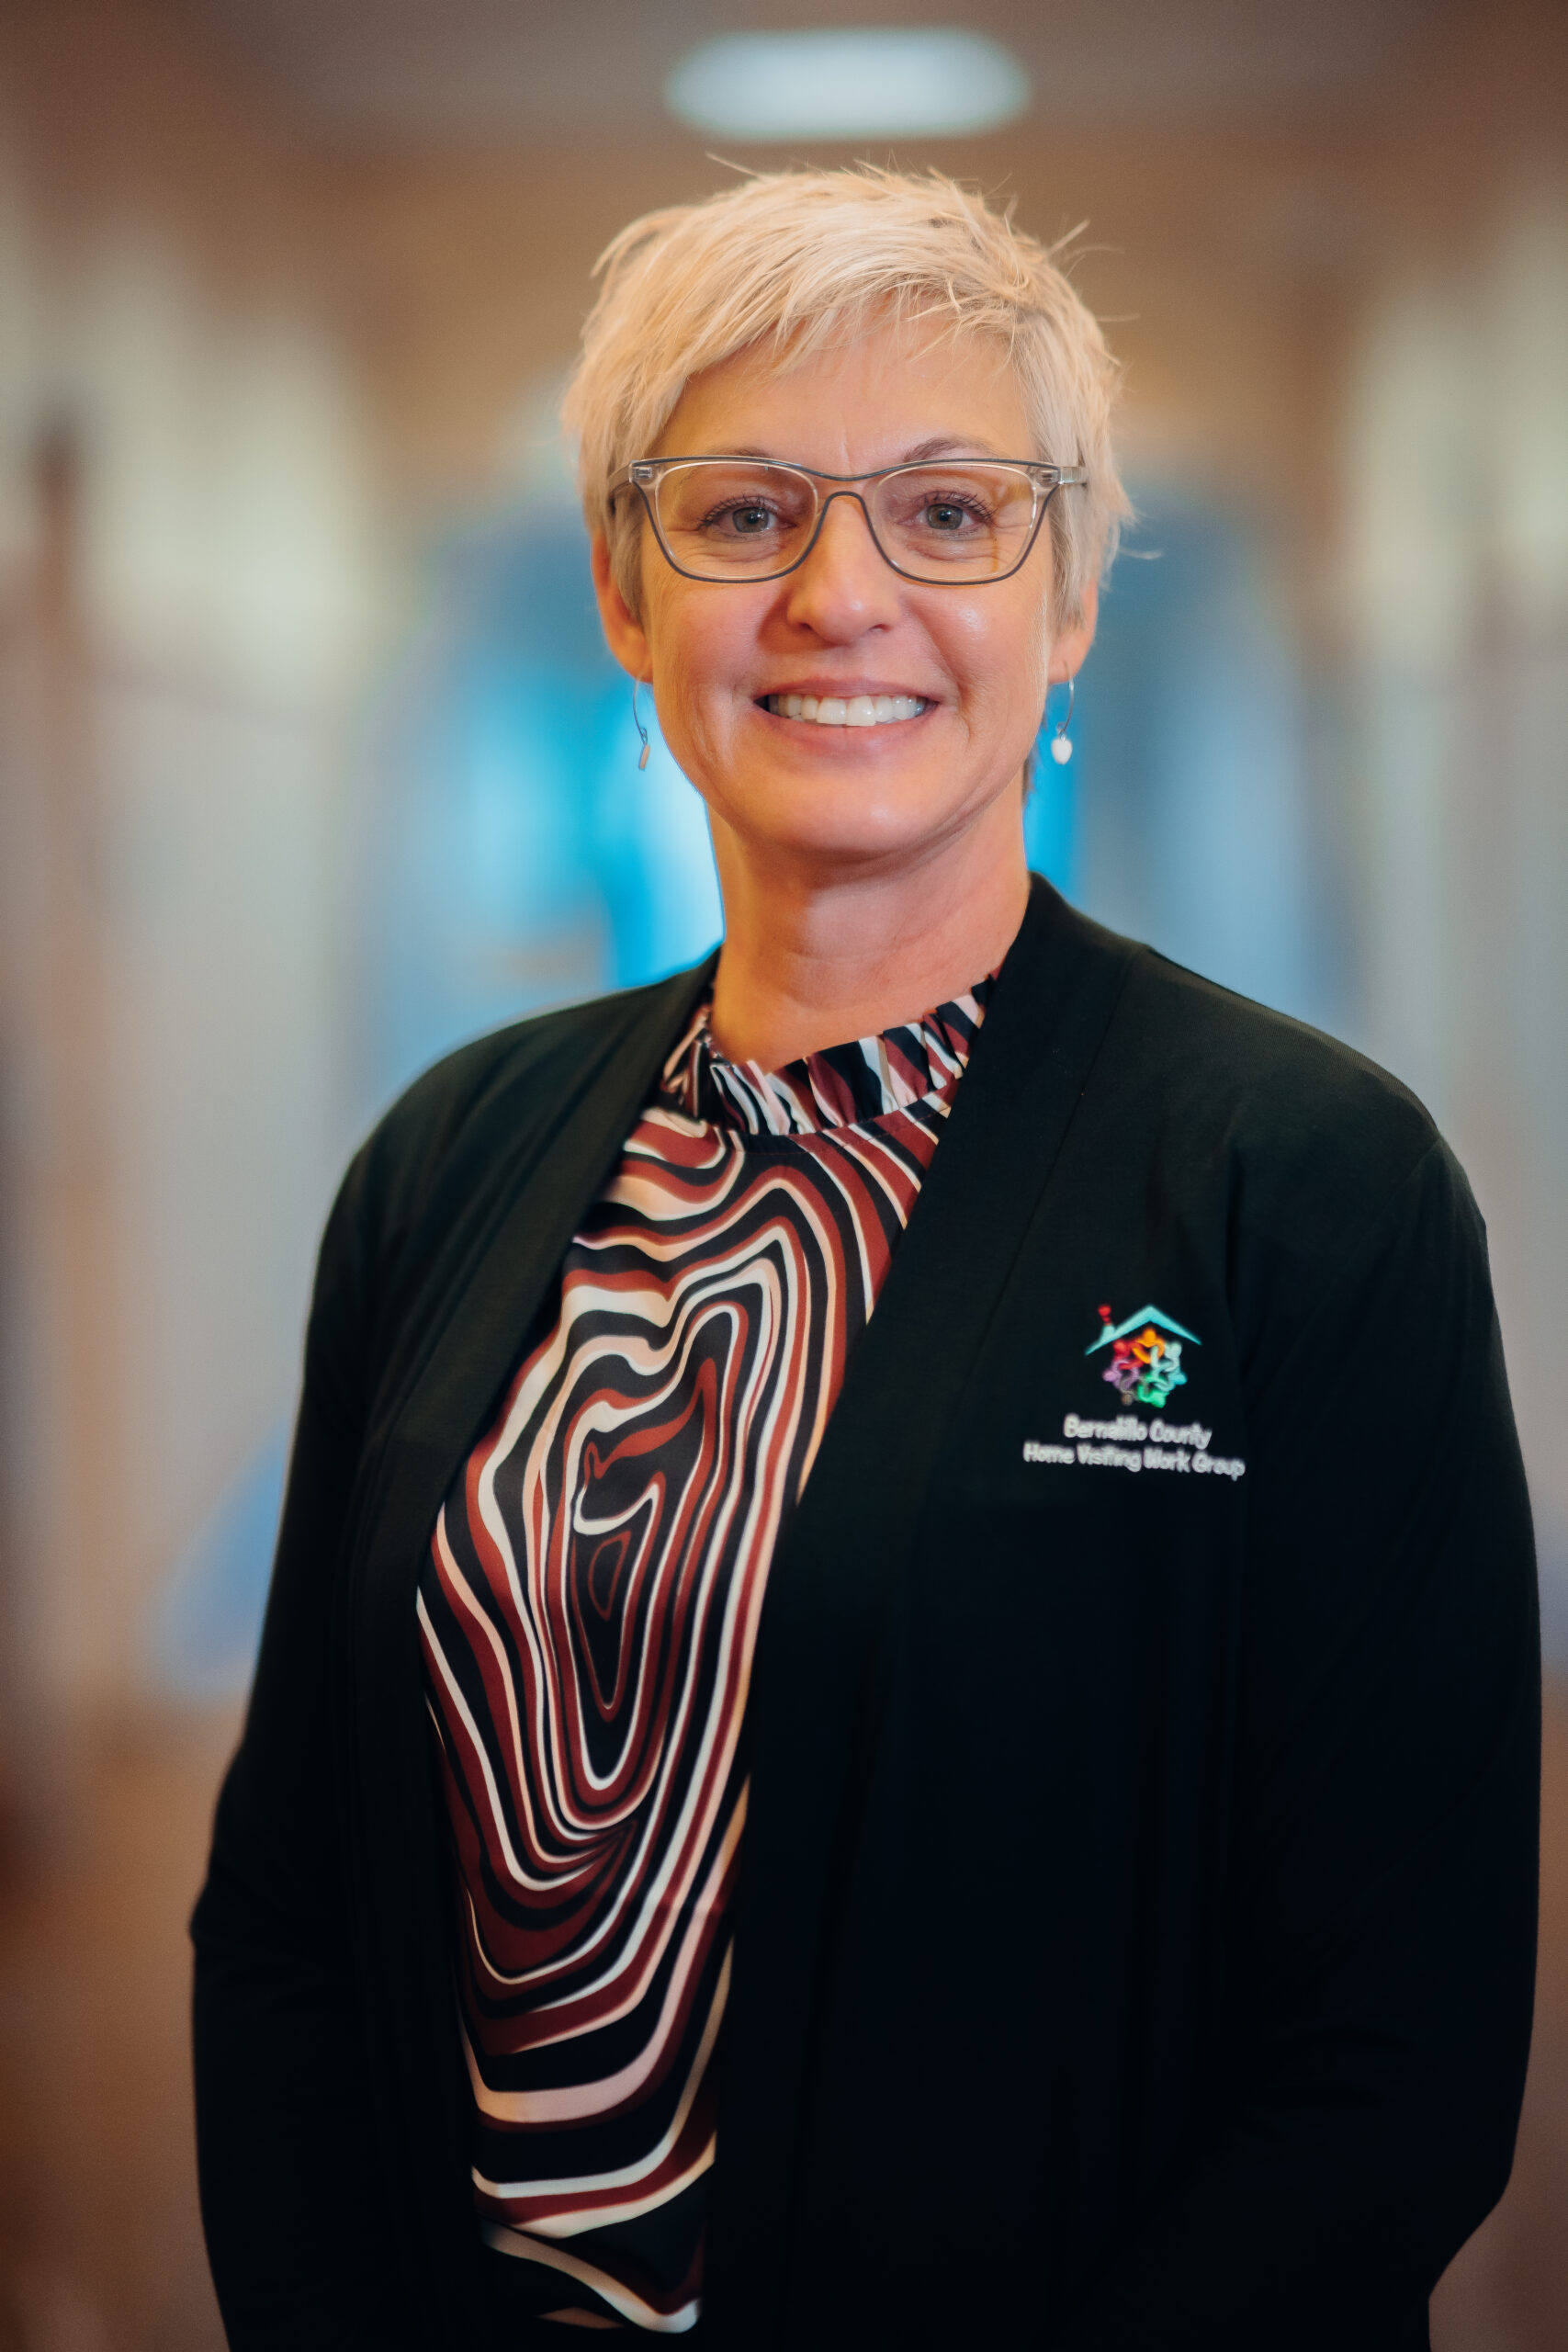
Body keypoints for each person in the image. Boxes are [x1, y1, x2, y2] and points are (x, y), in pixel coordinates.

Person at [191, 166, 1539, 2352]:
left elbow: (1390, 2059)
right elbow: (286, 1922)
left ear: (1070, 591)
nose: (841, 594)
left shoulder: (1303, 1183)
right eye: (740, 515)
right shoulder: (448, 1161)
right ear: (631, 596)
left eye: (945, 511)